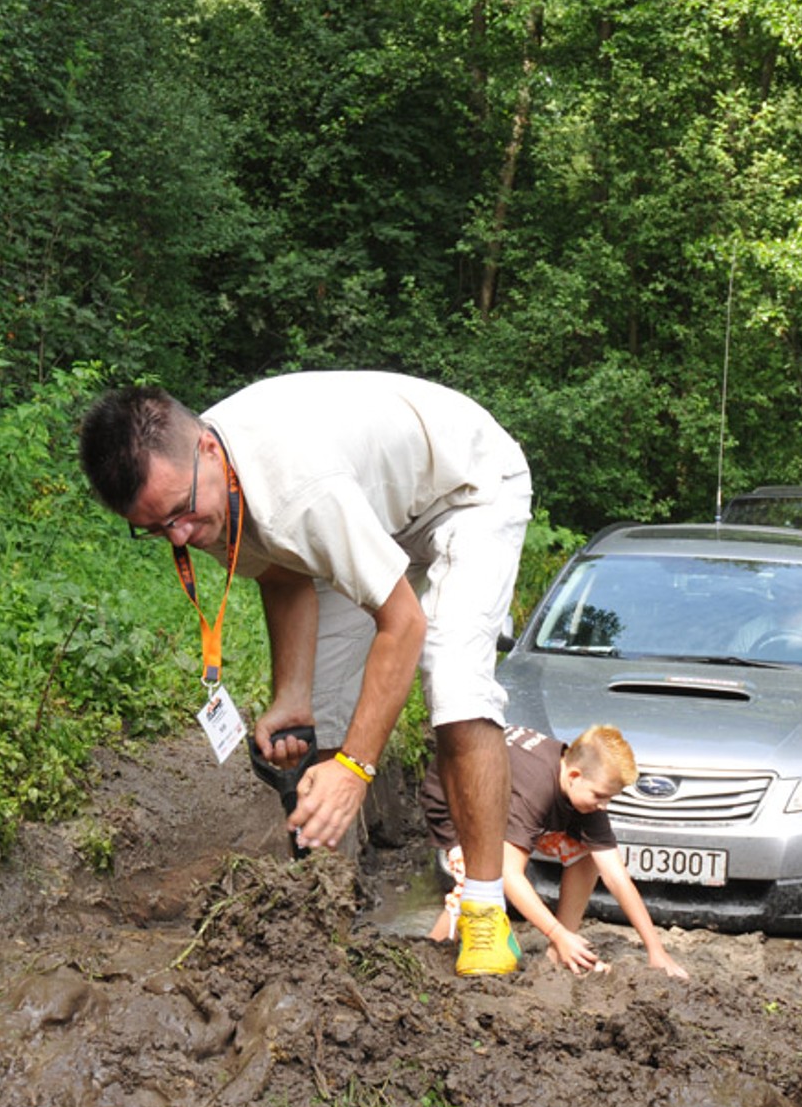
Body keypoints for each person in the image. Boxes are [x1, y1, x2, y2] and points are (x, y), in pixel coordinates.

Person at [78, 372, 533, 976]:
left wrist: (356, 769)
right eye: (157, 528)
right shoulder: (195, 492)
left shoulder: (296, 489)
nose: (180, 536)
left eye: (182, 516)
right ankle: (323, 916)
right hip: (373, 508)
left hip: (467, 487)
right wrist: (291, 696)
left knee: (453, 679)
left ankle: (484, 914)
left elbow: (404, 624)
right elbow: (283, 570)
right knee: (319, 720)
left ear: (208, 449)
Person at [421, 724, 688, 980]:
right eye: (600, 796)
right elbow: (510, 875)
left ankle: (560, 953)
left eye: (610, 799)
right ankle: (432, 953)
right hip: (457, 799)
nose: (604, 806)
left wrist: (656, 950)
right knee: (477, 880)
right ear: (574, 777)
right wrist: (555, 932)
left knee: (586, 854)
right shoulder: (536, 789)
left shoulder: (586, 792)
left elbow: (616, 877)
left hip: (503, 796)